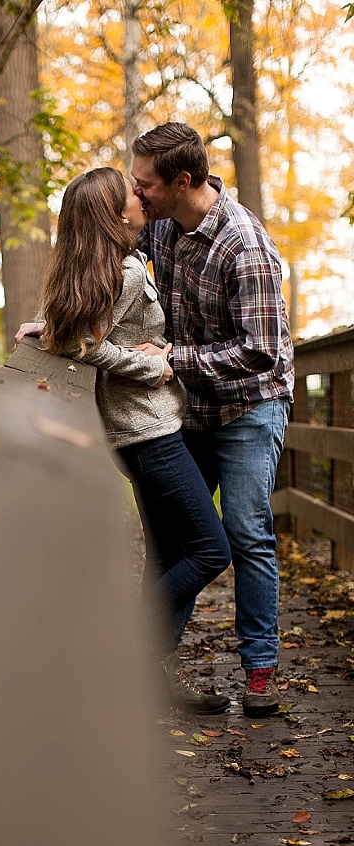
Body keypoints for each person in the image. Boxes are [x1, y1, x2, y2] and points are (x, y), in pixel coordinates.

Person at [16, 167, 231, 713]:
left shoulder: (109, 265)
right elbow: (89, 347)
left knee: (165, 556)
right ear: (117, 216)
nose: (142, 197)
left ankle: (144, 682)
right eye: (133, 194)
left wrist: (48, 327)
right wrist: (150, 369)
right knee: (211, 551)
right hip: (148, 432)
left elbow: (84, 332)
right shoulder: (129, 270)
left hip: (138, 431)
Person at [129, 123, 294, 717]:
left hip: (250, 406)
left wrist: (174, 358)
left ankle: (259, 669)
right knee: (180, 537)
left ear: (181, 181)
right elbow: (106, 273)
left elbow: (261, 350)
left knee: (246, 532)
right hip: (189, 407)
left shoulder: (245, 245)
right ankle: (145, 671)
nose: (136, 192)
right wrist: (58, 322)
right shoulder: (163, 228)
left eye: (144, 184)